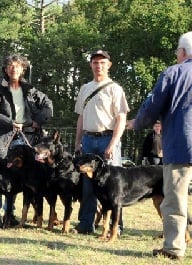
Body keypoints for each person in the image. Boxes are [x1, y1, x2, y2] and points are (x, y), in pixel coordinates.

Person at [126, 31, 192, 260]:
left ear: (182, 52)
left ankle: (174, 248)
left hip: (181, 144)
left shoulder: (174, 73)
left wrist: (137, 123)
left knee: (175, 199)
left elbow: (152, 106)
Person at [0, 54, 53, 227]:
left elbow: (48, 106)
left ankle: (15, 215)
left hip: (28, 139)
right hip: (4, 140)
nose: (13, 69)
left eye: (17, 66)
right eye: (10, 66)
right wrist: (10, 123)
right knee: (3, 174)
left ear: (23, 69)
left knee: (24, 178)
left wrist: (37, 121)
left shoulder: (31, 90)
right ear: (5, 69)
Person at [73, 50, 129, 234]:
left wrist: (113, 143)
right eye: (95, 62)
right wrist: (78, 141)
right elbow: (81, 117)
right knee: (87, 185)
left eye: (102, 62)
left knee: (114, 186)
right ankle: (85, 224)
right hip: (88, 140)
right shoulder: (85, 88)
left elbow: (121, 118)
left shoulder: (115, 88)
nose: (99, 66)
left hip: (108, 138)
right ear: (91, 65)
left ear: (109, 65)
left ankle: (116, 226)